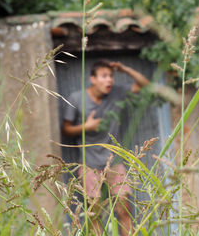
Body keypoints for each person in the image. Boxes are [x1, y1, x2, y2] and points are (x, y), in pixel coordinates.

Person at [62, 59, 149, 236]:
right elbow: (66, 129)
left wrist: (125, 68)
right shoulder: (77, 98)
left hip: (114, 162)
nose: (109, 80)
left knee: (124, 210)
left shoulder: (117, 94)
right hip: (88, 163)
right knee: (95, 214)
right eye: (104, 76)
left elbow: (145, 85)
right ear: (93, 79)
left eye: (111, 76)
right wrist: (87, 127)